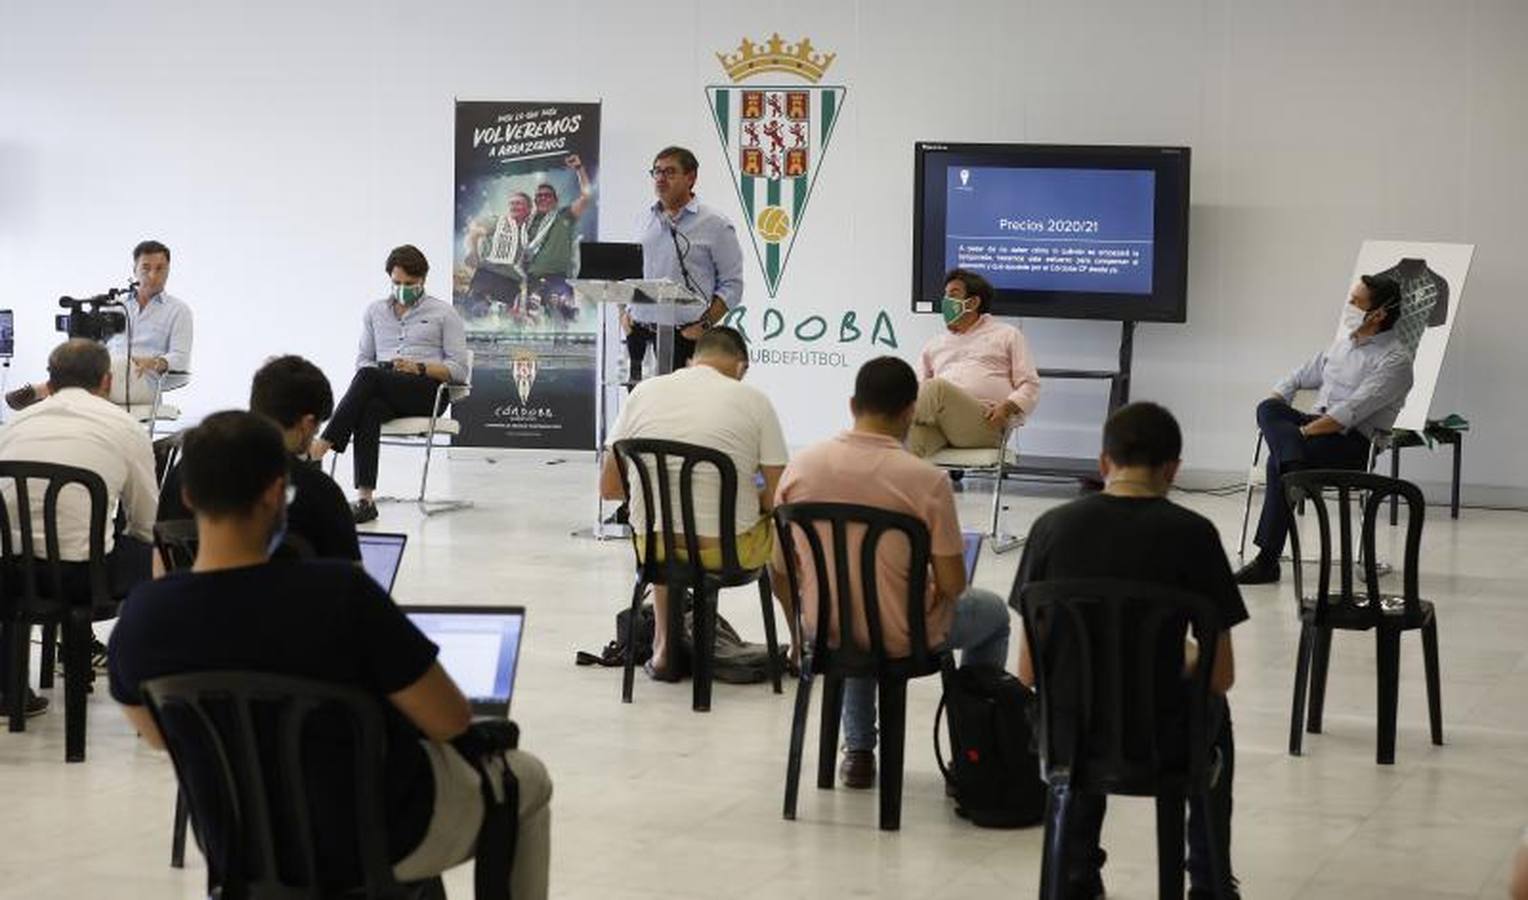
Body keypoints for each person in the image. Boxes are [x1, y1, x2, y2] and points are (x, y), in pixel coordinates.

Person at [108, 411, 551, 897]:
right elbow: (448, 719)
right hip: (376, 838)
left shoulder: (144, 615)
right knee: (526, 779)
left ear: (189, 497)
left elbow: (158, 735)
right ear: (277, 494)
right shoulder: (341, 594)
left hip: (236, 842)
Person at [1012, 401, 1245, 900]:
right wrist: (1180, 653)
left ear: (1103, 464)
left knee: (1079, 693)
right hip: (1164, 737)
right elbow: (1219, 675)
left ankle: (1074, 875)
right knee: (1216, 714)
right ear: (1174, 470)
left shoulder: (1051, 528)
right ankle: (1208, 880)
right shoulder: (1195, 534)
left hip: (1070, 738)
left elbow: (1027, 670)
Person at [775, 356, 1011, 789]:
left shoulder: (801, 467)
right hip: (906, 633)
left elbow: (779, 568)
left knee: (853, 611)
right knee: (992, 615)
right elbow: (955, 585)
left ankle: (859, 753)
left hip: (825, 627)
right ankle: (970, 750)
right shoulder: (926, 480)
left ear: (852, 404)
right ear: (910, 412)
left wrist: (800, 628)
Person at [599, 326, 786, 678]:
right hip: (725, 552)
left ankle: (664, 650)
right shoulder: (753, 401)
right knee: (783, 527)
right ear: (741, 367)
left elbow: (609, 487)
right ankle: (802, 644)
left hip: (654, 550)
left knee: (665, 526)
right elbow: (778, 497)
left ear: (690, 361)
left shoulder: (643, 392)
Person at [0, 339, 158, 718]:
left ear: (49, 383)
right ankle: (141, 686)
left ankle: (8, 686)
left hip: (7, 575)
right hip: (82, 580)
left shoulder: (14, 423)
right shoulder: (125, 427)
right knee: (158, 558)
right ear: (106, 382)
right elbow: (146, 522)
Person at [1236, 274, 1412, 584]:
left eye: (1356, 302)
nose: (1349, 306)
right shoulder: (1341, 347)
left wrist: (1300, 434)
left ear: (1380, 313)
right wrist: (1280, 401)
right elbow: (1297, 377)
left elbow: (1351, 412)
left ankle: (1267, 561)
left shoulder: (1394, 360)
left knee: (1276, 459)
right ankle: (1293, 464)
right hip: (1312, 430)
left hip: (1352, 443)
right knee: (1268, 408)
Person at [310, 245, 469, 523]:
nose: (403, 288)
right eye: (397, 283)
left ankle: (322, 445)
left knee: (368, 379)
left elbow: (458, 371)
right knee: (368, 407)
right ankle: (365, 501)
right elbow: (364, 360)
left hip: (426, 391)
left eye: (410, 283)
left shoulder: (445, 313)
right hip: (383, 385)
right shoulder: (375, 312)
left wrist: (418, 367)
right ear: (390, 279)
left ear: (423, 280)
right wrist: (385, 371)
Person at [157, 355, 359, 563]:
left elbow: (160, 562)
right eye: (316, 429)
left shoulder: (187, 471)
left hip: (187, 594)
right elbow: (352, 581)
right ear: (307, 424)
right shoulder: (320, 492)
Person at [7, 240, 194, 412]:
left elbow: (181, 358)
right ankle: (49, 396)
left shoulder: (179, 311)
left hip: (143, 382)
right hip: (101, 377)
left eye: (160, 268)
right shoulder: (114, 305)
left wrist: (155, 362)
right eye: (146, 268)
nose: (153, 275)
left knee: (118, 363)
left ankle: (44, 390)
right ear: (134, 270)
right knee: (85, 360)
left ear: (168, 270)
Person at [623, 146, 744, 380]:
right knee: (643, 411)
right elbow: (629, 274)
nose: (660, 179)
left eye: (669, 172)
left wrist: (705, 325)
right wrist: (624, 314)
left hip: (685, 337)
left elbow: (733, 285)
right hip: (640, 336)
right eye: (656, 172)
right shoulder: (643, 219)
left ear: (691, 177)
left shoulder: (715, 224)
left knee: (680, 411)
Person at [909, 268, 1040, 458]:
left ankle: (879, 426)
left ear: (973, 302)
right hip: (940, 425)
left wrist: (1006, 408)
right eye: (945, 295)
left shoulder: (1006, 334)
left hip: (986, 423)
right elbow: (917, 387)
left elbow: (1030, 385)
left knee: (935, 388)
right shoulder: (935, 343)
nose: (945, 301)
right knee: (906, 439)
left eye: (953, 294)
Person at [522, 155, 594, 294]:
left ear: (555, 201)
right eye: (539, 196)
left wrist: (579, 169)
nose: (543, 198)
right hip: (531, 280)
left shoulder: (564, 215)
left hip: (558, 280)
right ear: (535, 201)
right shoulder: (528, 223)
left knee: (561, 316)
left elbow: (586, 196)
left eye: (547, 195)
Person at [464, 190, 533, 316]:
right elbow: (474, 233)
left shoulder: (529, 231)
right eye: (512, 203)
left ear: (528, 209)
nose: (514, 206)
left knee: (503, 321)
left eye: (518, 203)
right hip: (488, 275)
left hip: (511, 281)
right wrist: (473, 253)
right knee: (476, 313)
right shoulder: (498, 222)